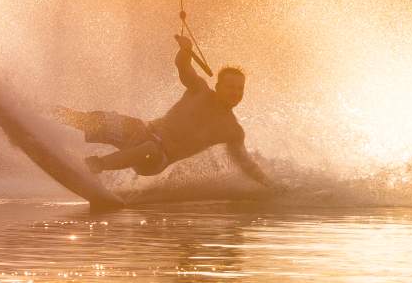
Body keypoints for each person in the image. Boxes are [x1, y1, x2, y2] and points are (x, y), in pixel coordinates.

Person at [57, 35, 272, 188]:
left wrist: (274, 188)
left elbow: (246, 164)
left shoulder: (232, 130)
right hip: (141, 132)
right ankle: (41, 114)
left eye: (239, 88)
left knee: (150, 147)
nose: (235, 92)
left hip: (157, 158)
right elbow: (183, 67)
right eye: (230, 86)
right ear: (218, 86)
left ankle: (95, 165)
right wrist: (185, 51)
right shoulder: (200, 90)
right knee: (91, 120)